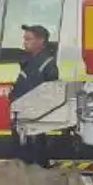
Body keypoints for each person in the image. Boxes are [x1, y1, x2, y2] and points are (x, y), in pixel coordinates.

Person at [10, 23, 59, 165]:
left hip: (34, 119)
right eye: (24, 39)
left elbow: (44, 90)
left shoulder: (47, 63)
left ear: (41, 41)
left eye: (28, 39)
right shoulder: (30, 61)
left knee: (34, 155)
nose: (24, 42)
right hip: (24, 116)